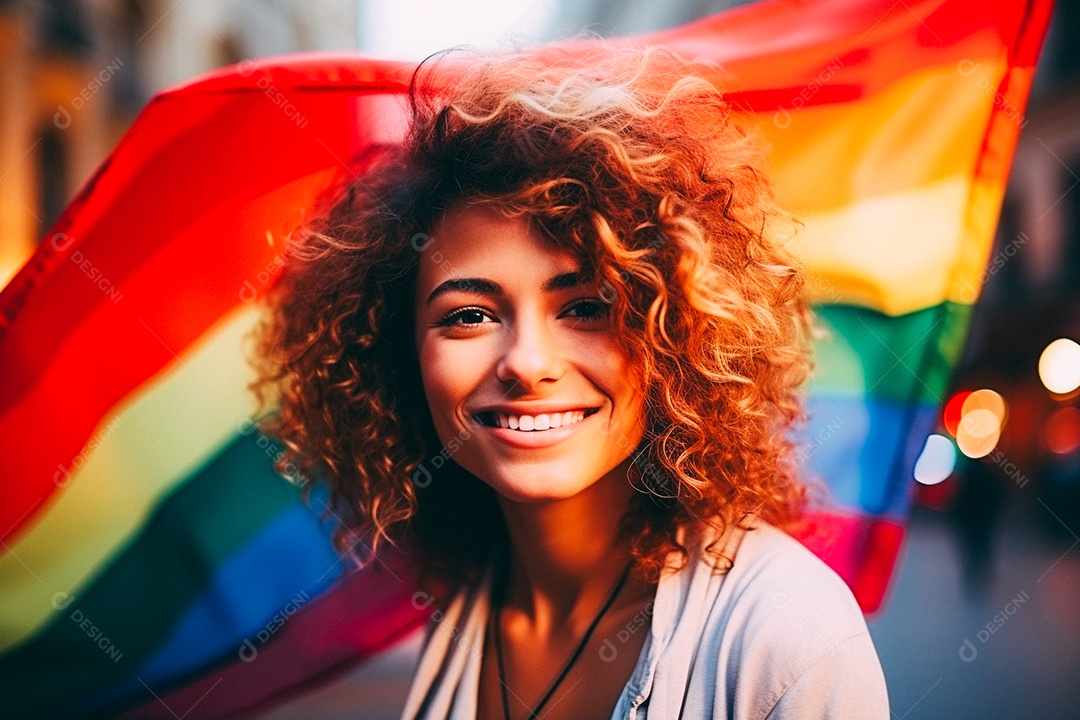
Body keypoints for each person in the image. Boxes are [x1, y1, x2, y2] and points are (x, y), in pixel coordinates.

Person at [252, 47, 890, 719]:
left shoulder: (788, 640)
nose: (527, 362)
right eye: (469, 316)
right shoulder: (463, 610)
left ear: (674, 334)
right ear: (399, 356)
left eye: (586, 307)